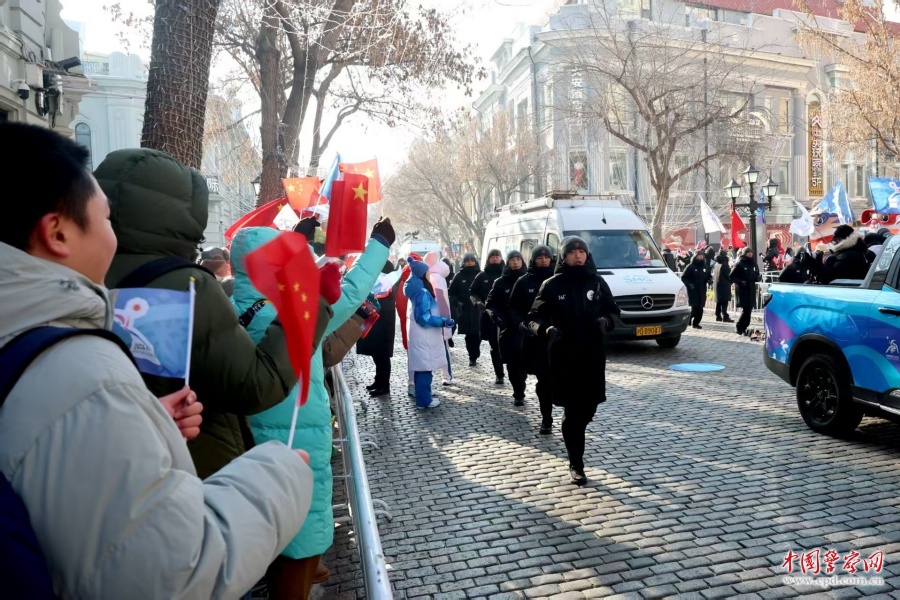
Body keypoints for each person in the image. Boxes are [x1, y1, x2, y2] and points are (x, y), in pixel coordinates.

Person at [0, 123, 313, 598]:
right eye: (105, 219)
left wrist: (144, 420)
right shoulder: (83, 370)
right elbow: (172, 574)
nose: (114, 236)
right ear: (58, 231)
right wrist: (282, 473)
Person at [96, 148, 298, 479]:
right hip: (193, 464)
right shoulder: (187, 285)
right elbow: (256, 386)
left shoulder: (78, 271)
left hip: (110, 466)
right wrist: (309, 307)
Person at [230, 219, 392, 599]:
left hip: (257, 440)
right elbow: (350, 295)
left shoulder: (233, 303)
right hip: (296, 440)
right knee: (299, 536)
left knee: (273, 531)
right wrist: (379, 245)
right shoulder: (287, 308)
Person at [526, 237, 620, 485]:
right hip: (564, 358)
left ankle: (575, 431)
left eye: (582, 252)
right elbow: (532, 318)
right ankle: (576, 463)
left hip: (592, 356)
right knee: (573, 412)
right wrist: (545, 330)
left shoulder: (597, 283)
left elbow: (613, 311)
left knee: (589, 408)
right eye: (573, 252)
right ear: (564, 256)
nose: (578, 256)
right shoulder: (551, 285)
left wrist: (606, 322)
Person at [508, 245, 557, 433]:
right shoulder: (523, 282)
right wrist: (521, 324)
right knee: (543, 380)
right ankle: (547, 418)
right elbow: (513, 309)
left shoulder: (558, 280)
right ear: (533, 259)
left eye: (546, 257)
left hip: (561, 339)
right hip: (536, 338)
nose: (543, 260)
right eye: (539, 257)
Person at [405, 257, 455, 409]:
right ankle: (424, 400)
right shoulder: (422, 292)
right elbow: (424, 318)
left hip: (421, 337)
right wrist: (443, 321)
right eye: (427, 272)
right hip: (424, 337)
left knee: (423, 368)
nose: (429, 274)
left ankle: (424, 397)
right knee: (425, 369)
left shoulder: (416, 290)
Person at [485, 250, 528, 405]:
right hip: (508, 329)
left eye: (518, 259)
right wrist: (496, 317)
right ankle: (518, 392)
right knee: (513, 363)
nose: (515, 262)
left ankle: (522, 384)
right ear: (507, 262)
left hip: (527, 329)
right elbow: (490, 304)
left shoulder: (528, 280)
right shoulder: (500, 282)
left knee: (524, 363)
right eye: (512, 260)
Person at [358, 261, 399, 397]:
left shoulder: (387, 285)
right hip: (378, 323)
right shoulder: (382, 284)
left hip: (384, 323)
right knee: (377, 355)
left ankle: (384, 385)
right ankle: (378, 381)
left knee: (382, 356)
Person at [470, 249, 505, 384]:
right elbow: (472, 292)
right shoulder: (482, 276)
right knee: (494, 345)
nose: (495, 259)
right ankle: (499, 374)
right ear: (488, 259)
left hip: (507, 315)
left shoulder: (506, 274)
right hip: (489, 315)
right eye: (492, 257)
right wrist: (477, 302)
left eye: (497, 256)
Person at [425, 251, 454, 385]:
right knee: (442, 347)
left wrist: (444, 320)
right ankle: (446, 375)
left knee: (442, 347)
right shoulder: (435, 275)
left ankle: (446, 376)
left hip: (437, 317)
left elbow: (441, 300)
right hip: (438, 317)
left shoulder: (434, 277)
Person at [448, 253, 482, 366]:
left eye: (472, 261)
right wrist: (457, 302)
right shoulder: (459, 276)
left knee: (477, 334)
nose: (470, 263)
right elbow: (451, 292)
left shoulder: (480, 275)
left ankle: (475, 353)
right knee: (469, 334)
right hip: (465, 309)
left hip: (478, 309)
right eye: (467, 261)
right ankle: (471, 356)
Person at [730, 247, 762, 335]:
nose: (750, 254)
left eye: (751, 253)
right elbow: (731, 276)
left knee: (749, 309)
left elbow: (756, 274)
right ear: (745, 254)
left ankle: (744, 327)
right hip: (743, 289)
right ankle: (739, 326)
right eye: (748, 253)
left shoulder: (753, 264)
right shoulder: (740, 264)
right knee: (746, 309)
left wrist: (758, 277)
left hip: (751, 289)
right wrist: (740, 282)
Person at [681, 250, 712, 329]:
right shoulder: (691, 266)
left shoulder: (704, 266)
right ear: (695, 256)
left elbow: (709, 275)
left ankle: (696, 323)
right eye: (699, 255)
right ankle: (689, 319)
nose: (701, 257)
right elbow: (683, 278)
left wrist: (710, 280)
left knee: (700, 308)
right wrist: (689, 285)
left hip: (702, 290)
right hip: (693, 290)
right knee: (695, 308)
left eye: (702, 255)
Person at [712, 251, 734, 323]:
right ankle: (725, 315)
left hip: (718, 285)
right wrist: (732, 281)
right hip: (724, 285)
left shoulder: (717, 264)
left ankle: (718, 315)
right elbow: (729, 275)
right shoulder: (724, 264)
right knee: (724, 301)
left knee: (719, 301)